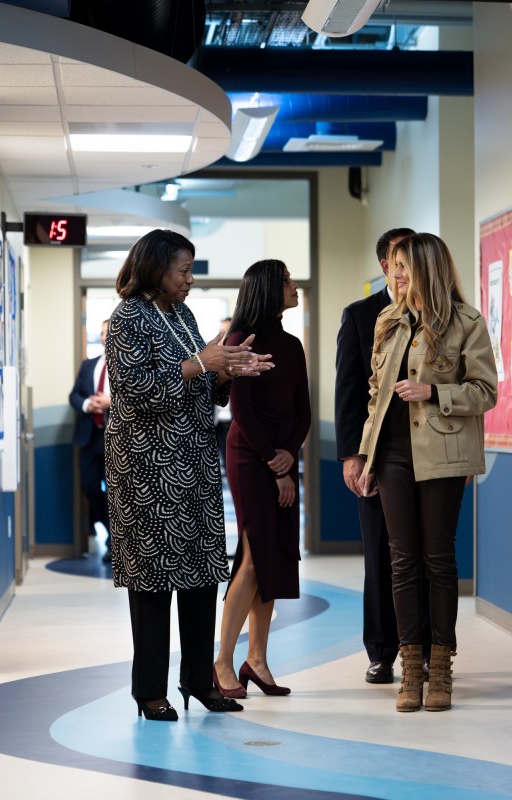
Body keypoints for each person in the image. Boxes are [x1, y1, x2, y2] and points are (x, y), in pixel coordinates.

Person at [104, 229, 272, 721]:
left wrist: (228, 371)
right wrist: (202, 362)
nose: (189, 280)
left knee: (201, 576)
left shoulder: (182, 315)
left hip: (195, 465)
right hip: (147, 471)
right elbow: (135, 393)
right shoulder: (126, 320)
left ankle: (199, 681)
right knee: (153, 583)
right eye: (183, 271)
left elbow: (199, 385)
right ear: (156, 268)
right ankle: (149, 691)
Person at [357, 233, 498, 712]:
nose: (395, 275)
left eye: (404, 266)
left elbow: (485, 391)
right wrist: (366, 457)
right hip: (393, 454)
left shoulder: (466, 322)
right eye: (392, 266)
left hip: (441, 452)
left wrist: (434, 392)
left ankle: (441, 670)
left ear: (428, 269)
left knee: (437, 559)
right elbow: (376, 395)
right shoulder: (387, 320)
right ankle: (410, 670)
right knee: (401, 561)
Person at [335, 227, 432, 685]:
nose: (404, 269)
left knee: (431, 554)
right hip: (378, 454)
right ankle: (382, 651)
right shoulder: (360, 316)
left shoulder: (440, 314)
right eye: (397, 261)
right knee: (381, 554)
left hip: (431, 454)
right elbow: (350, 392)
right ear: (384, 266)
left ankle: (429, 649)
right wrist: (353, 457)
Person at [213, 260, 312, 699]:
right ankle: (220, 664)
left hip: (281, 458)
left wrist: (289, 458)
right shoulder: (240, 340)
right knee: (253, 559)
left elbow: (303, 410)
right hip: (251, 456)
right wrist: (275, 460)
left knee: (271, 558)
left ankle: (257, 660)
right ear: (270, 288)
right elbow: (243, 412)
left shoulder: (291, 345)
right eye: (288, 280)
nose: (294, 287)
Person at [69, 320, 111, 561]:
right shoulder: (88, 365)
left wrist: (110, 402)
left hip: (117, 438)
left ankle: (116, 541)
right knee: (90, 488)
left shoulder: (127, 366)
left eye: (110, 332)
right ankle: (111, 533)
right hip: (89, 436)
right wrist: (87, 404)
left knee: (118, 493)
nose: (107, 336)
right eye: (104, 333)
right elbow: (74, 395)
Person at [214, 317, 233, 474]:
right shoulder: (210, 359)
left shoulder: (243, 358)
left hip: (235, 422)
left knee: (232, 464)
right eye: (222, 331)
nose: (224, 336)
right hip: (215, 422)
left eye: (227, 332)